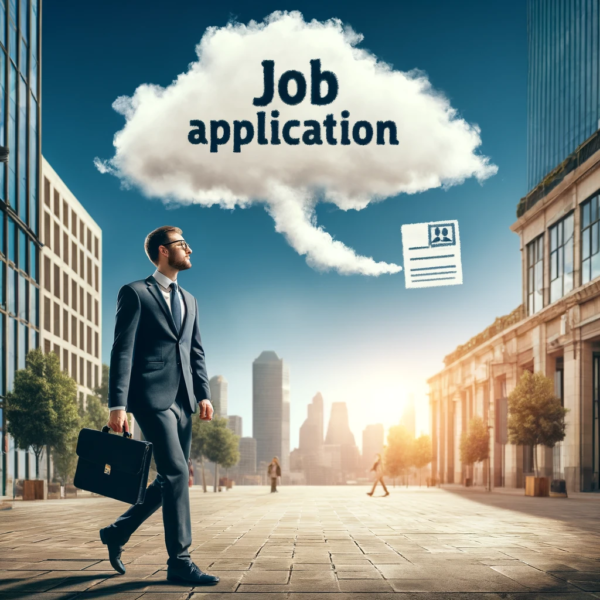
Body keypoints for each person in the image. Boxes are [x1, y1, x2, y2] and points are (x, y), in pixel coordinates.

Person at [99, 226, 219, 586]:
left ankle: (116, 533)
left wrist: (203, 394)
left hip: (183, 402)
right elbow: (122, 350)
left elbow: (195, 351)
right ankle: (179, 561)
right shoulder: (135, 293)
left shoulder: (191, 300)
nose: (190, 249)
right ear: (164, 252)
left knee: (169, 478)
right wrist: (117, 405)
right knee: (179, 474)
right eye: (183, 245)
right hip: (150, 398)